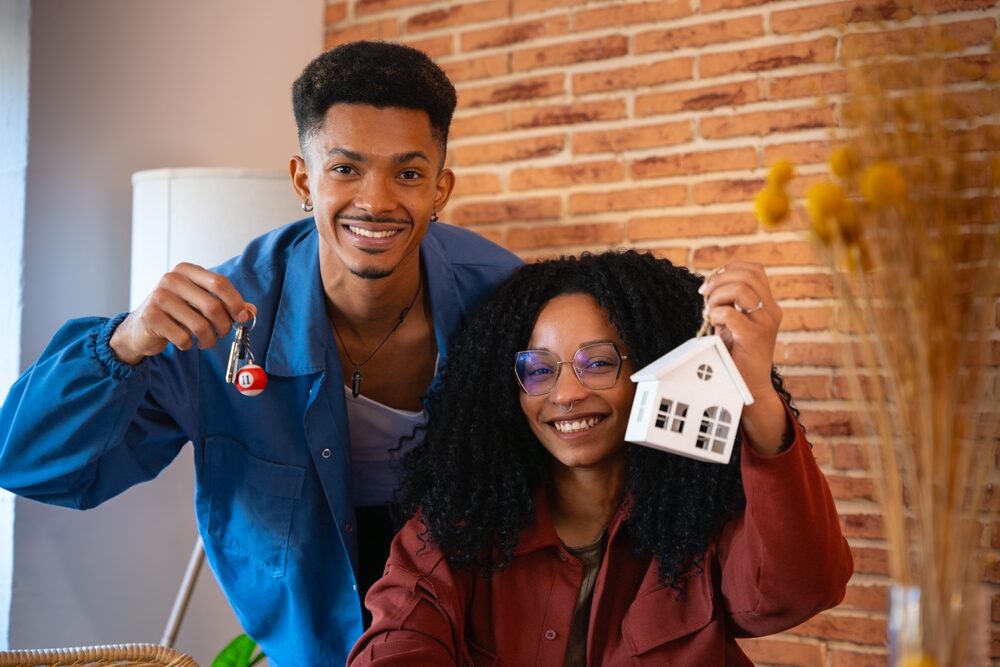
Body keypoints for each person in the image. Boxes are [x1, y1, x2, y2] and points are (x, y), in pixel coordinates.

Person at [0, 41, 520, 666]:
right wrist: (125, 343)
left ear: (440, 188)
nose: (376, 201)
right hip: (309, 645)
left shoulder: (505, 299)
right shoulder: (219, 321)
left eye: (407, 174)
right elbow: (26, 463)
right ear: (304, 180)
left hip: (476, 634)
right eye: (345, 169)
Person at [349, 252, 853, 666]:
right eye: (538, 369)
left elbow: (798, 592)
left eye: (598, 363)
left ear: (648, 369)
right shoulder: (454, 526)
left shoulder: (700, 524)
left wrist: (755, 394)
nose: (566, 394)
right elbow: (399, 641)